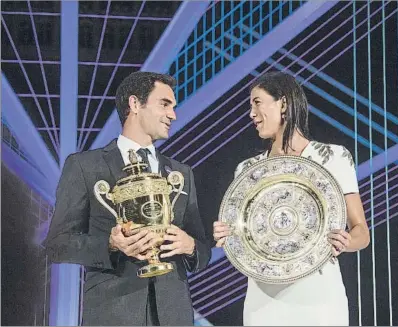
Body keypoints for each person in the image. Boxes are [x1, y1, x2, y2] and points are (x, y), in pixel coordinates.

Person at [46, 72, 211, 326]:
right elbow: (57, 244)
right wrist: (110, 244)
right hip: (113, 312)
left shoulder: (181, 173)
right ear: (135, 104)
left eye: (173, 107)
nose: (173, 115)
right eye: (164, 104)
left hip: (173, 315)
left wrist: (190, 245)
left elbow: (202, 248)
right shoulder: (84, 166)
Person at [213, 72, 370, 326]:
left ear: (283, 103)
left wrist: (346, 241)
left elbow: (362, 232)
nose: (251, 113)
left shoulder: (334, 157)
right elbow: (244, 238)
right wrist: (228, 234)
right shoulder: (247, 171)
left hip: (319, 298)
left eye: (257, 102)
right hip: (263, 302)